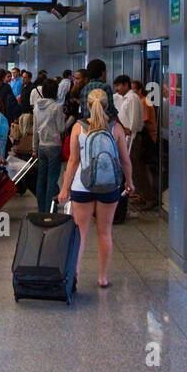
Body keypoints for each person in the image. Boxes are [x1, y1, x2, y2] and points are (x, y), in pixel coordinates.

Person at [57, 87, 133, 288]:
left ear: (87, 106)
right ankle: (102, 277)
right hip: (109, 185)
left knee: (80, 232)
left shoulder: (78, 128)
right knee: (104, 232)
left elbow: (73, 161)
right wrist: (129, 182)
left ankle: (75, 272)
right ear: (108, 106)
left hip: (82, 185)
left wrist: (65, 189)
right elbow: (125, 160)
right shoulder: (116, 129)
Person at [113, 74, 150, 210]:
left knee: (135, 169)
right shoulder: (123, 98)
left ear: (126, 85)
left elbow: (134, 120)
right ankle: (141, 195)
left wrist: (130, 131)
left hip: (134, 136)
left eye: (118, 86)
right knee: (131, 168)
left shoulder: (133, 98)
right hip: (127, 136)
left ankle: (149, 197)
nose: (117, 89)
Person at [32, 78, 65, 213]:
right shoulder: (56, 107)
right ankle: (50, 210)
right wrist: (67, 120)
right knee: (52, 180)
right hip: (54, 146)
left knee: (41, 179)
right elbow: (61, 128)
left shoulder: (36, 108)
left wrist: (34, 148)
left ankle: (41, 209)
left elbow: (35, 129)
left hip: (41, 147)